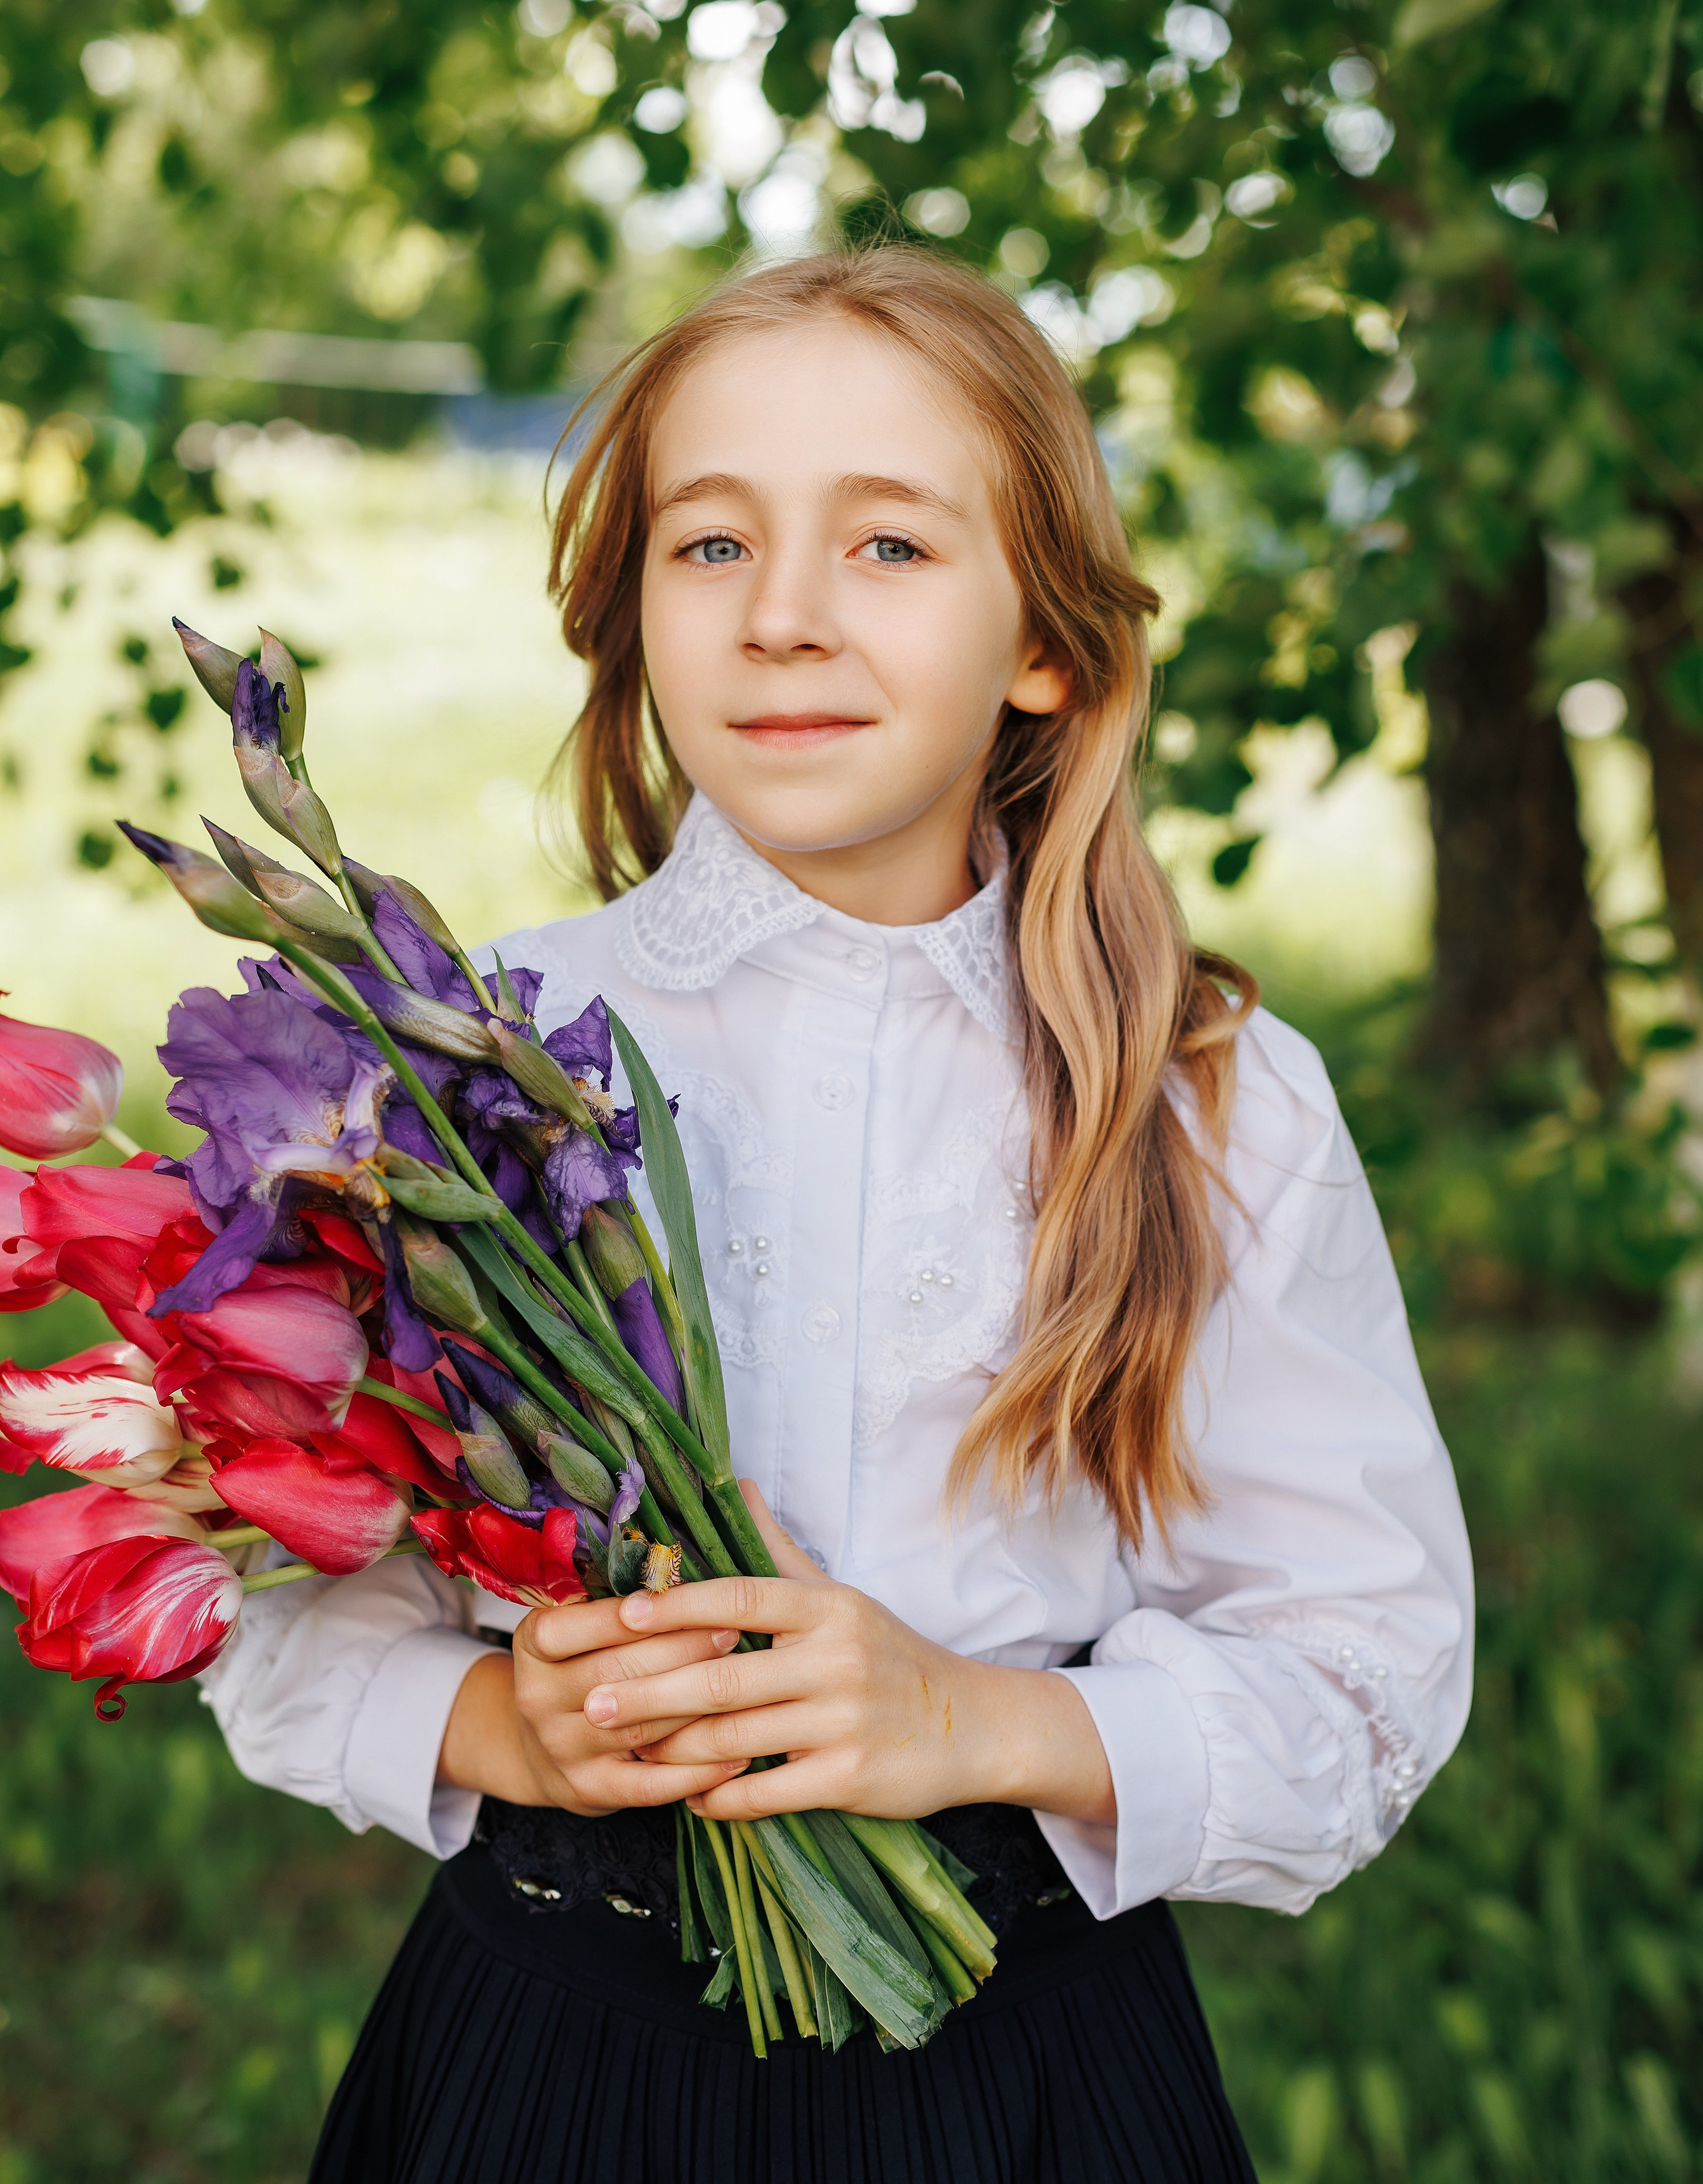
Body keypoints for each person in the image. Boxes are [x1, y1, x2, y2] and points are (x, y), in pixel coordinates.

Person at [205, 243, 1472, 2184]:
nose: (785, 617)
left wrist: (973, 1722)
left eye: (888, 546)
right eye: (710, 547)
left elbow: (1370, 1665)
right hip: (550, 2066)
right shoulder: (456, 1066)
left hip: (1027, 2078)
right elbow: (282, 1603)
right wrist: (496, 1728)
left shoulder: (1206, 1099)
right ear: (630, 614)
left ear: (1044, 643)